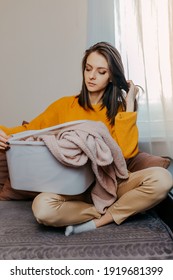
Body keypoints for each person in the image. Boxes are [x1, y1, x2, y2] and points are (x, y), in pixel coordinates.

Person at [0, 42, 172, 236]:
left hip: (111, 184)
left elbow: (125, 153)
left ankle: (101, 221)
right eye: (88, 69)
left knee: (162, 178)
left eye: (101, 72)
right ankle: (97, 212)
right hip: (72, 189)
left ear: (111, 77)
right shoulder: (64, 105)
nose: (91, 76)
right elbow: (28, 130)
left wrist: (130, 104)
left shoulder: (119, 111)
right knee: (42, 209)